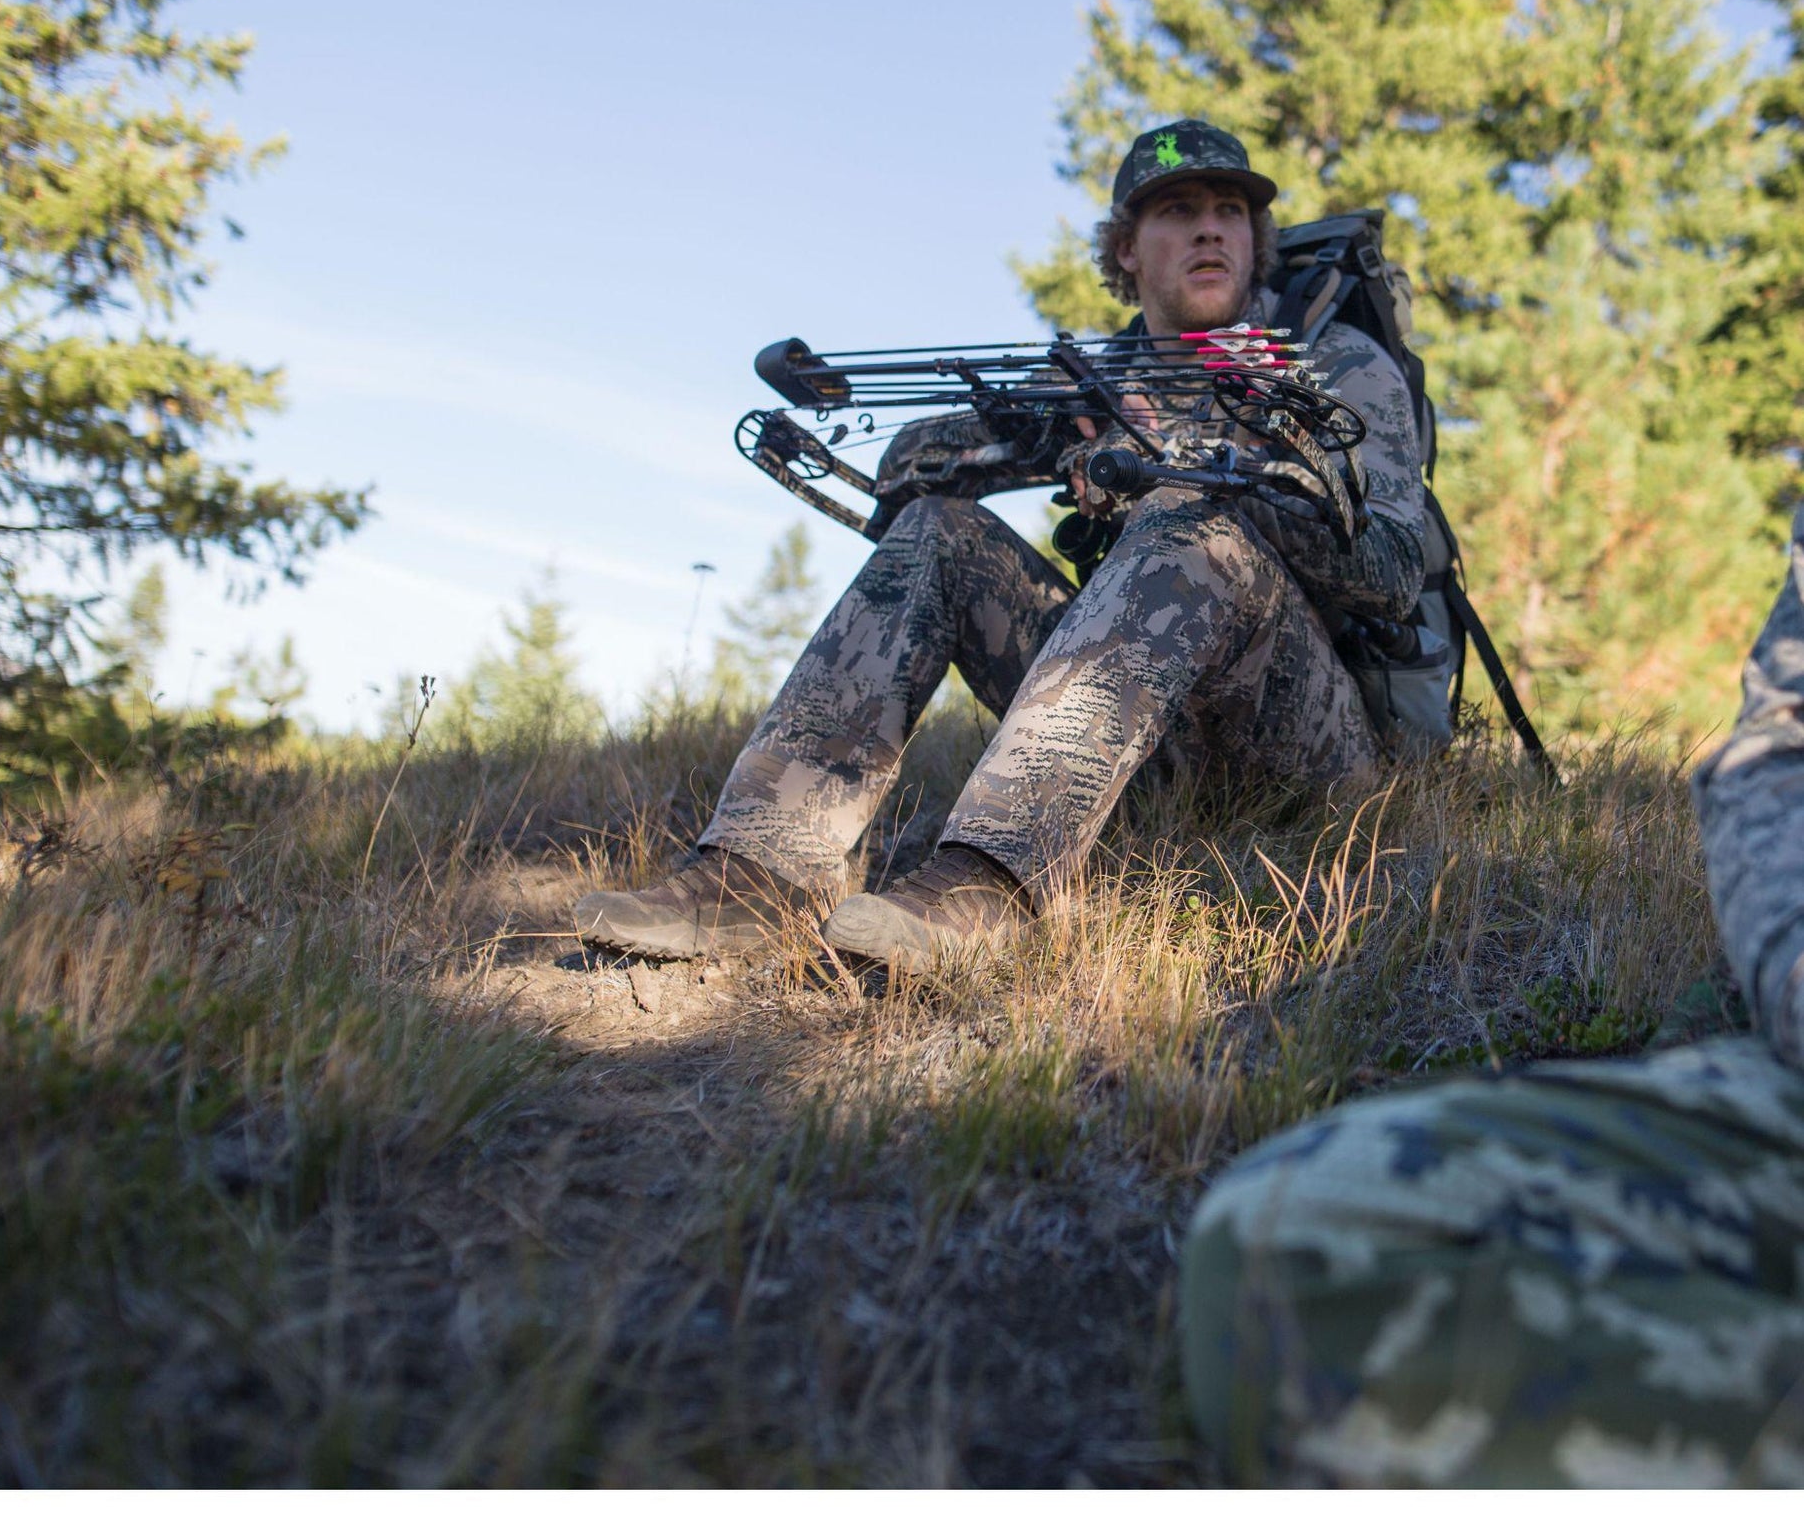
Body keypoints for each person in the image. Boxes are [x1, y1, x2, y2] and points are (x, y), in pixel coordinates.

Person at [574, 118, 1427, 969]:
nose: (1208, 227)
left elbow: (1392, 572)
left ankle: (991, 887)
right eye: (1175, 210)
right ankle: (752, 881)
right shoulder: (1104, 378)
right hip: (1141, 759)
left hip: (1309, 756)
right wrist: (1037, 430)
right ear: (1126, 250)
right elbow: (906, 473)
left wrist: (1194, 468)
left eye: (1229, 211)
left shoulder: (1331, 368)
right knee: (938, 533)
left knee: (1189, 521)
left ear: (1254, 239)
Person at [1176, 510, 1804, 1488]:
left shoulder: (1343, 374)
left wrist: (1248, 488)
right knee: (1290, 1246)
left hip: (1329, 731)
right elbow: (1781, 748)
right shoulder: (1125, 381)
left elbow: (1387, 564)